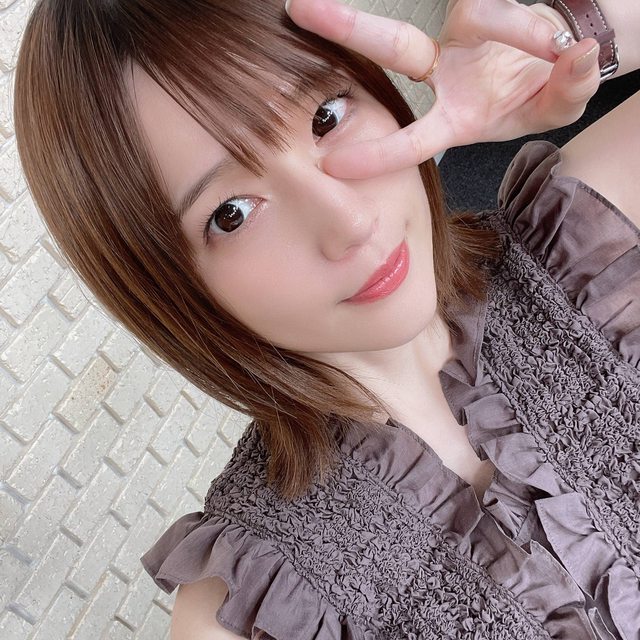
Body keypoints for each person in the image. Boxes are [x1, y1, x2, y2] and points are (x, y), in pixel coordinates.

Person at [13, 0, 639, 637]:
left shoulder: (582, 248)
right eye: (231, 213)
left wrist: (555, 38)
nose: (350, 222)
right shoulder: (246, 613)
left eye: (326, 116)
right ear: (166, 285)